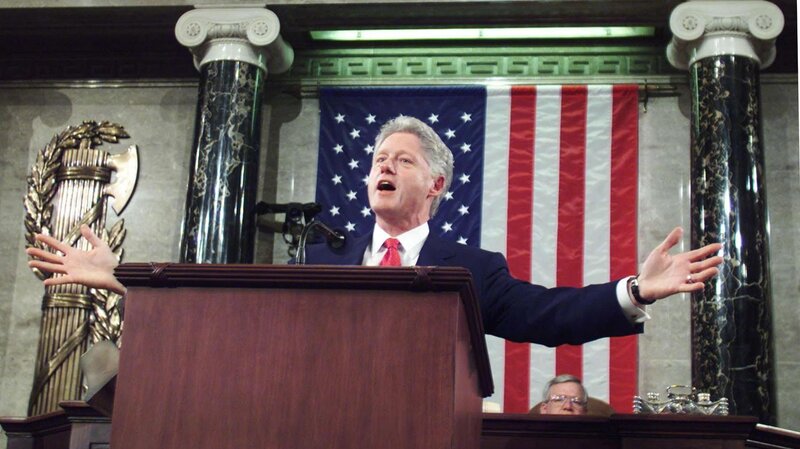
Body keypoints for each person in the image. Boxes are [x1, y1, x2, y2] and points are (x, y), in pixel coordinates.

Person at [27, 115, 723, 346]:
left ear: (437, 184)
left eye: (402, 160)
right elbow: (226, 304)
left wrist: (636, 289)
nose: (382, 168)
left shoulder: (472, 267)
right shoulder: (319, 260)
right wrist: (116, 279)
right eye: (377, 160)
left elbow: (550, 314)